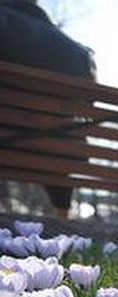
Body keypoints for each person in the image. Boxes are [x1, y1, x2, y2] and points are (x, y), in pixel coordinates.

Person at [0, 0, 97, 219]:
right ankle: (62, 222)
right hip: (54, 152)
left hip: (4, 142)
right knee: (61, 135)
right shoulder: (77, 53)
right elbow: (87, 109)